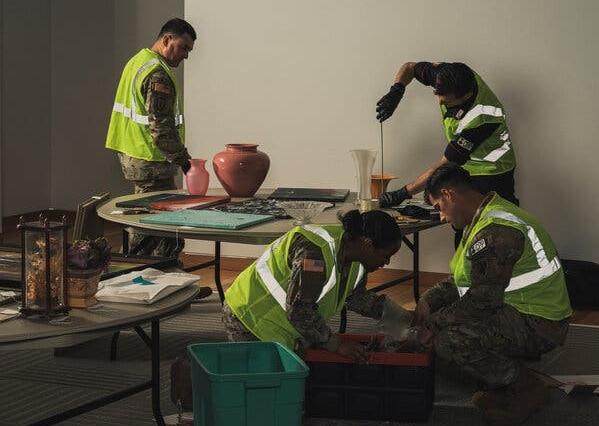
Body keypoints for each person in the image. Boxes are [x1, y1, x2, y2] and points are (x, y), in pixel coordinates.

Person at [414, 164, 571, 425]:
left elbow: (482, 301)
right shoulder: (483, 218)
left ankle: (527, 388)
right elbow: (461, 281)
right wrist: (428, 301)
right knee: (445, 329)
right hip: (518, 310)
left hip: (539, 322)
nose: (441, 217)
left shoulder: (496, 230)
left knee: (450, 341)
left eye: (439, 207)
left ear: (449, 194)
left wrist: (433, 324)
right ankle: (503, 385)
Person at [223, 210, 410, 360]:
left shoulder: (354, 260)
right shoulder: (315, 255)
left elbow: (358, 298)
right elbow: (299, 311)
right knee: (263, 389)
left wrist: (404, 317)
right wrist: (336, 345)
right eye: (386, 255)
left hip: (282, 327)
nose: (386, 263)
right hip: (250, 317)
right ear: (368, 244)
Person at [376, 62, 519, 247]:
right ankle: (462, 271)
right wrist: (396, 91)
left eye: (447, 101)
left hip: (493, 172)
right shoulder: (447, 75)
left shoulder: (482, 118)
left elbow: (443, 166)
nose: (440, 102)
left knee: (492, 230)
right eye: (438, 94)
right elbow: (410, 67)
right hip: (465, 167)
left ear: (466, 95)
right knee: (459, 223)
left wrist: (403, 192)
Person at [105, 18, 195, 258]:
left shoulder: (137, 61)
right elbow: (161, 127)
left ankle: (159, 276)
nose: (185, 56)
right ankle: (133, 276)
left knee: (151, 223)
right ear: (167, 40)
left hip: (134, 155)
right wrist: (185, 161)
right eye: (184, 47)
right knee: (159, 228)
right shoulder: (158, 75)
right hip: (151, 160)